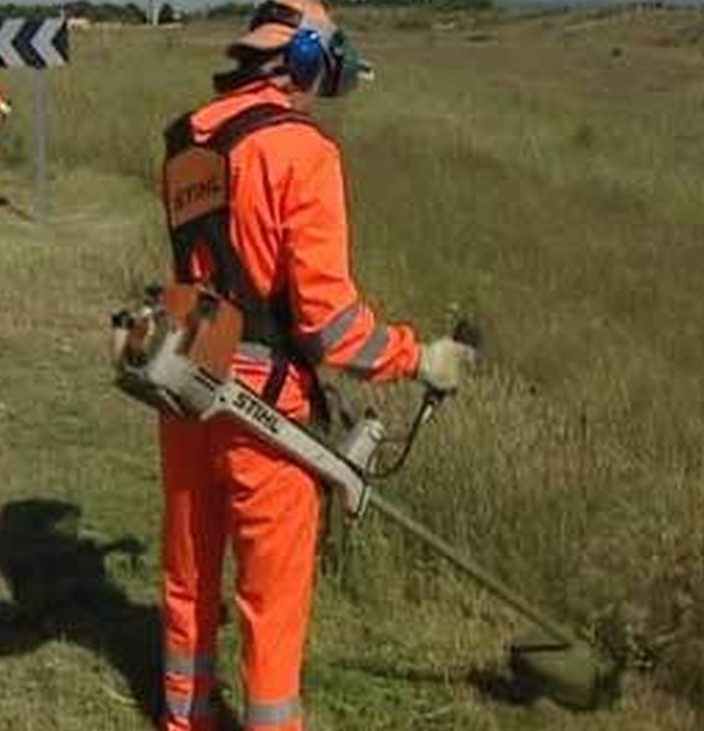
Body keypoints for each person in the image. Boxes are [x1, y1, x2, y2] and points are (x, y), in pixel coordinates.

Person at [155, 2, 475, 729]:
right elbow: (330, 329)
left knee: (189, 571)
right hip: (266, 408)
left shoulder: (187, 138)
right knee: (272, 603)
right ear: (304, 62)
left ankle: (184, 715)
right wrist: (417, 354)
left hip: (185, 377)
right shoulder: (303, 152)